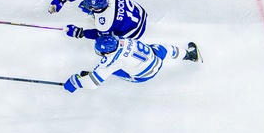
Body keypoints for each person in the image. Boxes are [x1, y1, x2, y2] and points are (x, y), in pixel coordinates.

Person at [62, 36, 201, 94]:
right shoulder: (122, 40)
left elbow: (92, 85)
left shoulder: (110, 60)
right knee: (165, 48)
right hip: (155, 58)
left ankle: (96, 74)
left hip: (143, 75)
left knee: (108, 70)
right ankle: (190, 55)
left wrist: (75, 83)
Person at [48, 0, 148, 40]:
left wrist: (82, 33)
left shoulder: (105, 22)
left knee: (108, 44)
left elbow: (102, 36)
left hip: (133, 32)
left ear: (97, 9)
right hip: (139, 12)